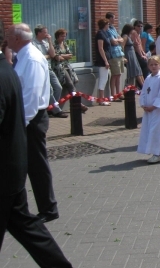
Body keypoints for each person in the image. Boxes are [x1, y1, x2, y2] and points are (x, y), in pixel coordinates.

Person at [0, 33, 73, 267]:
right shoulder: (8, 67)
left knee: (39, 167)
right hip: (10, 166)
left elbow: (30, 99)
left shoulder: (16, 65)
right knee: (25, 225)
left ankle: (49, 207)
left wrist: (24, 127)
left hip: (7, 166)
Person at [6, 24, 59, 223]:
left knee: (37, 165)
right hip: (25, 119)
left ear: (18, 38)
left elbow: (32, 95)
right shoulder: (23, 57)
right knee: (25, 164)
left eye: (9, 35)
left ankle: (48, 208)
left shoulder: (32, 59)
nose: (6, 39)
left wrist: (22, 123)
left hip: (31, 120)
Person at [137, 55, 160, 164]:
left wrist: (154, 106)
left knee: (157, 131)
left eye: (156, 64)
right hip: (149, 110)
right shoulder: (149, 77)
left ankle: (158, 154)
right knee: (149, 130)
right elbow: (143, 92)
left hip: (157, 111)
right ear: (148, 66)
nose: (153, 66)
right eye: (151, 65)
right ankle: (154, 151)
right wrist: (143, 104)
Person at [31, 25, 68, 118]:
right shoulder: (33, 44)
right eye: (45, 32)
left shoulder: (45, 43)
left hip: (49, 68)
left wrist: (50, 41)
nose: (47, 34)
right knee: (49, 90)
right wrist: (46, 56)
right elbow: (38, 57)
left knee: (58, 87)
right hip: (40, 69)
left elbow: (52, 54)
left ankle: (50, 108)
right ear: (39, 33)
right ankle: (56, 110)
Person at [52, 28, 88, 113]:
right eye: (62, 36)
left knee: (73, 83)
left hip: (68, 66)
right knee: (70, 84)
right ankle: (78, 104)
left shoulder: (64, 44)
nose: (63, 38)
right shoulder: (54, 45)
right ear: (57, 36)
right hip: (60, 68)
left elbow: (70, 55)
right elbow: (56, 57)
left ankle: (75, 104)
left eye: (64, 36)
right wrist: (64, 56)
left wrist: (63, 56)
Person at [105, 13, 126, 100]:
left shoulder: (113, 28)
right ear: (109, 19)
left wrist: (117, 40)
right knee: (114, 74)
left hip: (119, 53)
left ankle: (119, 93)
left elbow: (121, 39)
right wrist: (117, 40)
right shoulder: (107, 29)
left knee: (119, 74)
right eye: (114, 18)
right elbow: (113, 42)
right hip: (113, 54)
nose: (115, 20)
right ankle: (113, 95)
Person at [94, 19, 112, 106]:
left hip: (106, 59)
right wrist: (105, 61)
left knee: (105, 78)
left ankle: (102, 98)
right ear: (105, 25)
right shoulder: (100, 34)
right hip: (102, 60)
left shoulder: (105, 33)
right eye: (108, 24)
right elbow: (101, 48)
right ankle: (101, 99)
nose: (109, 25)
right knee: (103, 79)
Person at [121, 24, 145, 88]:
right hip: (128, 54)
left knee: (138, 70)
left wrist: (134, 43)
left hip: (132, 54)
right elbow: (122, 46)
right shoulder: (125, 36)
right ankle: (142, 86)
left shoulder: (129, 36)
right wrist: (123, 56)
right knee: (135, 70)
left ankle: (144, 85)